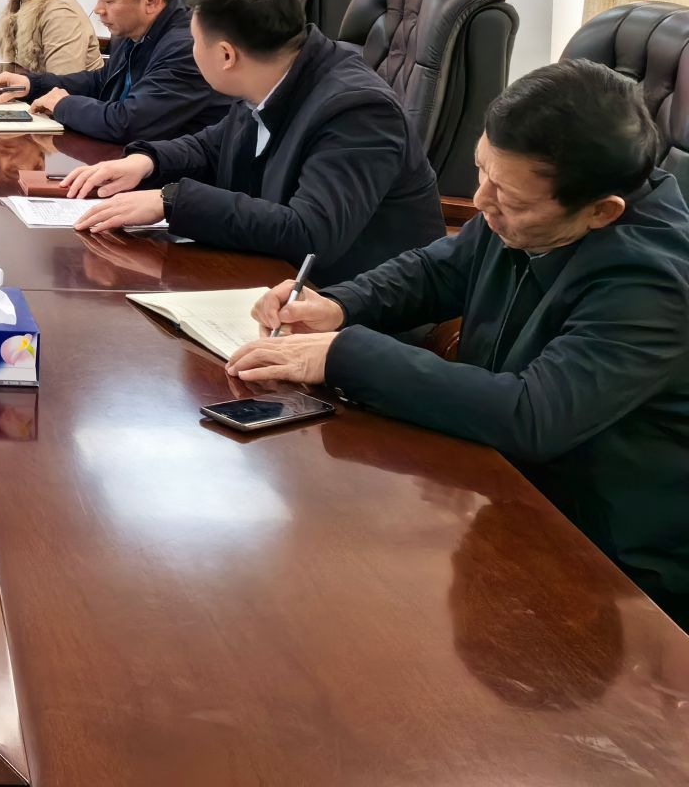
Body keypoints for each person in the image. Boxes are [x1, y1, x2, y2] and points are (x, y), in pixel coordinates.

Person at [227, 60, 689, 628]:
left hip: (607, 562)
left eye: (509, 197)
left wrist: (341, 354)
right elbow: (440, 270)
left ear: (602, 212)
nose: (481, 199)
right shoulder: (527, 201)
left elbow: (533, 414)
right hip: (498, 487)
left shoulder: (654, 285)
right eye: (481, 170)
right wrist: (339, 305)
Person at [61, 0, 444, 283]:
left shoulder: (358, 111)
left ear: (226, 55)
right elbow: (214, 145)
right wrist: (146, 162)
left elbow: (310, 233)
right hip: (267, 278)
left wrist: (171, 202)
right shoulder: (276, 74)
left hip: (349, 307)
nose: (191, 51)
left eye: (194, 41)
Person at [0, 0, 221, 142]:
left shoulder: (187, 49)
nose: (98, 9)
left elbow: (128, 122)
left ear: (151, 0)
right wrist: (33, 84)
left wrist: (63, 104)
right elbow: (101, 82)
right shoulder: (132, 32)